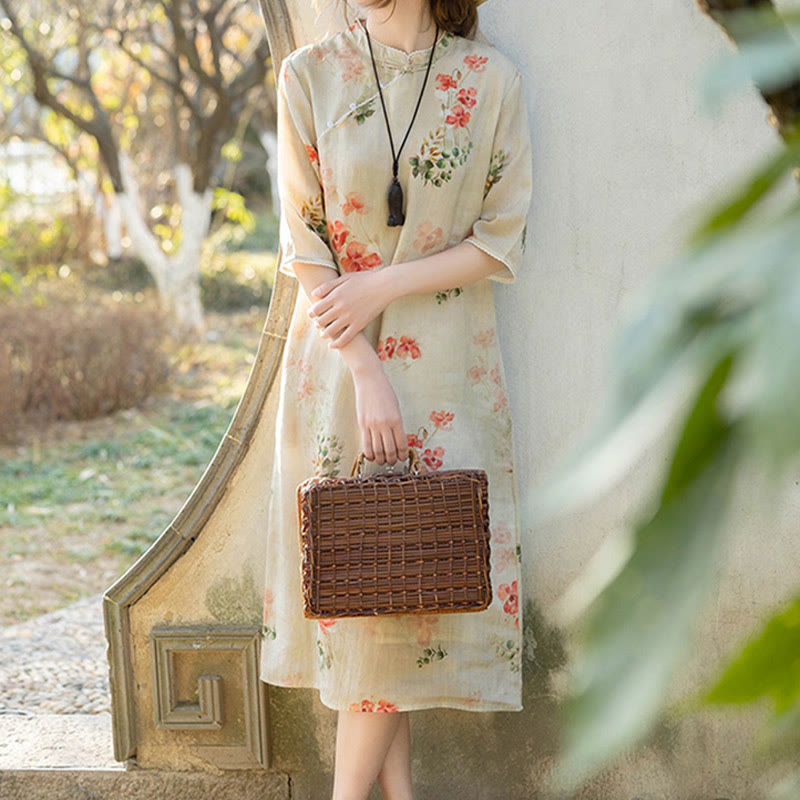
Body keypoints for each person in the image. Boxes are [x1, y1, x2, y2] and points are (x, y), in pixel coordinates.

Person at [259, 0, 533, 797]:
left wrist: (385, 280)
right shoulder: (309, 74)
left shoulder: (489, 79)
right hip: (342, 370)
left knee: (405, 587)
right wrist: (365, 368)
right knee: (367, 599)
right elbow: (303, 242)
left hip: (449, 372)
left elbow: (500, 236)